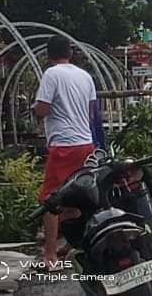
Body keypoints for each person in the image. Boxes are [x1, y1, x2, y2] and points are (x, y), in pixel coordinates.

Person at [33, 35, 97, 265]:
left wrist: (35, 108)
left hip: (64, 144)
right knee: (77, 196)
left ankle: (50, 254)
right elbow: (90, 114)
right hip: (85, 142)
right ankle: (74, 245)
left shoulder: (52, 74)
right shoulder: (85, 76)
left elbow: (43, 109)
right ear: (70, 53)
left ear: (49, 56)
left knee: (51, 200)